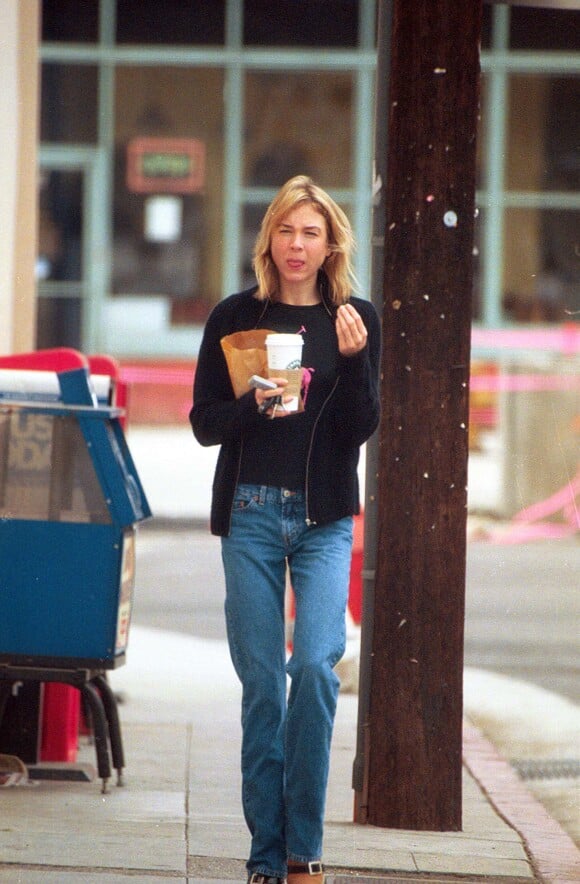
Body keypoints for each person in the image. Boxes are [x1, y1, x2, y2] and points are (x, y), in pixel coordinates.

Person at [190, 175, 380, 884]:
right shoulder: (233, 316)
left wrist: (357, 364)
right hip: (250, 518)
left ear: (331, 245)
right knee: (265, 685)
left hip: (323, 519)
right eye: (286, 230)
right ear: (268, 237)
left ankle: (305, 847)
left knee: (315, 668)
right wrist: (253, 406)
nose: (297, 245)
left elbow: (363, 427)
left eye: (312, 233)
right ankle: (269, 856)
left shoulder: (354, 319)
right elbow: (205, 423)